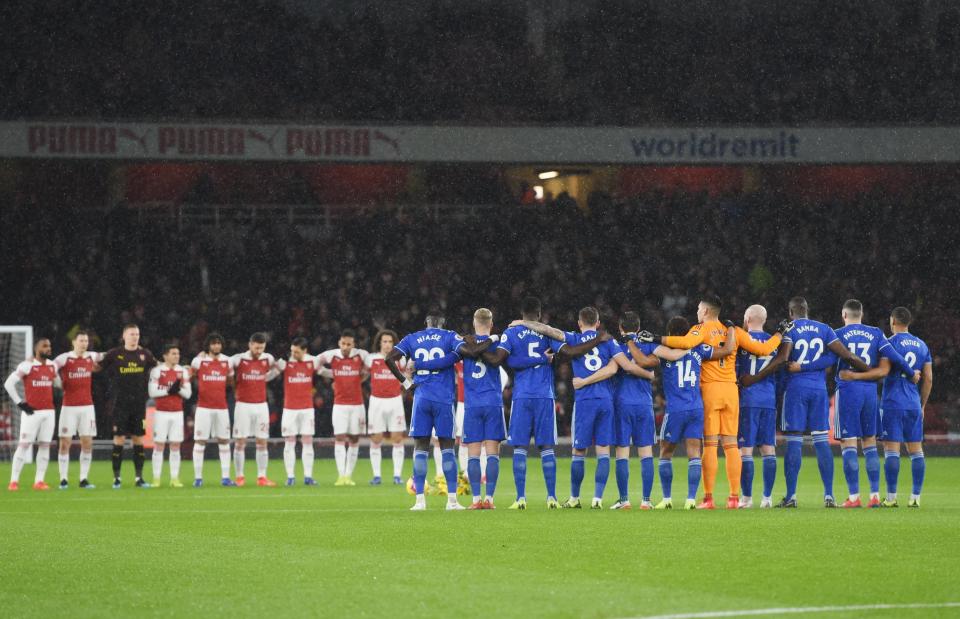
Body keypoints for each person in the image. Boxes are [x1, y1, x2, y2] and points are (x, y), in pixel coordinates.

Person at [640, 294, 786, 509]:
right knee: (731, 445)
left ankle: (708, 498)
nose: (698, 312)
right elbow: (763, 349)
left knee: (709, 446)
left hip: (710, 391)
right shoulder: (734, 331)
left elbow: (685, 343)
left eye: (699, 309)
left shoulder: (701, 329)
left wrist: (655, 338)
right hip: (731, 392)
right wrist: (780, 333)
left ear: (706, 311)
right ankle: (734, 498)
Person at [515, 306, 654, 509]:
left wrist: (523, 323)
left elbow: (550, 331)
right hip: (606, 400)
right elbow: (621, 367)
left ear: (580, 323)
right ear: (597, 323)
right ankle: (598, 499)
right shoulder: (609, 341)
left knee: (579, 451)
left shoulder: (573, 338)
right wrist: (649, 375)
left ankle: (575, 498)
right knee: (604, 451)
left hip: (585, 401)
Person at [741, 297, 870, 508]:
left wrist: (765, 377)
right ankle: (829, 496)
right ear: (807, 310)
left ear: (791, 313)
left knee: (794, 442)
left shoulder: (789, 329)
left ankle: (791, 496)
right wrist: (868, 370)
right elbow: (839, 357)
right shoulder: (824, 329)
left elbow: (782, 359)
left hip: (796, 390)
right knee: (821, 442)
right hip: (819, 390)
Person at [384, 308, 492, 510]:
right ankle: (452, 501)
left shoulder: (412, 338)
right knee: (447, 448)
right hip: (443, 398)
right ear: (442, 323)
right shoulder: (450, 336)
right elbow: (470, 352)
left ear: (426, 322)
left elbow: (389, 359)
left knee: (421, 449)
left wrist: (406, 383)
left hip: (421, 397)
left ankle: (419, 502)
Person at [485, 297, 576, 510]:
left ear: (522, 313)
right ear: (540, 313)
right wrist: (542, 360)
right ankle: (551, 497)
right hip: (544, 395)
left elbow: (507, 361)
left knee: (520, 447)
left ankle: (521, 498)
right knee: (547, 447)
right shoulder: (547, 332)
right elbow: (566, 350)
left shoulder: (511, 333)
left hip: (522, 396)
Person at [633, 317, 732, 509]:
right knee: (694, 453)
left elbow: (645, 361)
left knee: (665, 453)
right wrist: (730, 328)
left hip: (676, 409)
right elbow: (727, 350)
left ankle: (667, 499)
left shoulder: (665, 352)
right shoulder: (699, 348)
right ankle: (690, 500)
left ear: (669, 334)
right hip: (696, 408)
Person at [831, 300, 919, 508]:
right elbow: (895, 357)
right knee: (870, 443)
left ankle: (854, 497)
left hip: (848, 390)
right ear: (861, 314)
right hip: (870, 392)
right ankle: (874, 495)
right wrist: (910, 373)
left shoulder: (837, 333)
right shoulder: (876, 333)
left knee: (849, 443)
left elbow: (827, 360)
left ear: (844, 314)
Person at [608, 312, 657, 510]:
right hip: (644, 403)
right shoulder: (648, 345)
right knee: (646, 451)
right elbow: (653, 366)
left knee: (622, 452)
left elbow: (611, 369)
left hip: (622, 403)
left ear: (620, 327)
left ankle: (624, 499)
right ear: (638, 327)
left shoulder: (617, 347)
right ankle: (646, 500)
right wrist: (649, 375)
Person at [99, 324, 157, 489]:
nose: (135, 337)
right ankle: (116, 478)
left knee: (138, 440)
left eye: (137, 334)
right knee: (119, 440)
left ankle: (139, 478)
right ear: (124, 336)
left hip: (139, 405)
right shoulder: (115, 354)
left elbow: (159, 366)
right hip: (120, 405)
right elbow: (98, 367)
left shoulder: (145, 354)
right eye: (132, 334)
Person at [461, 308, 506, 509]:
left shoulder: (465, 343)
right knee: (492, 454)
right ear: (491, 324)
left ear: (474, 322)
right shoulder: (499, 343)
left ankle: (475, 500)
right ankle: (490, 499)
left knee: (473, 454)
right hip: (493, 403)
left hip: (472, 404)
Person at [735, 305, 779, 508]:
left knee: (746, 450)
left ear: (748, 317)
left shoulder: (740, 340)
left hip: (748, 400)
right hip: (768, 399)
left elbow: (735, 371)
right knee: (768, 448)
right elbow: (780, 371)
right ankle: (767, 498)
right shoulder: (773, 342)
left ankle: (747, 498)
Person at [317, 329, 369, 486]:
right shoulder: (331, 355)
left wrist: (359, 378)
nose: (345, 346)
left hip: (357, 405)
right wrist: (333, 374)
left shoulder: (362, 355)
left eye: (349, 344)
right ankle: (340, 476)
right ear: (339, 343)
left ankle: (348, 475)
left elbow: (368, 370)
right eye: (343, 343)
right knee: (339, 438)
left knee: (354, 438)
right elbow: (316, 364)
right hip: (339, 405)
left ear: (353, 344)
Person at [5, 338, 58, 491]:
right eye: (45, 346)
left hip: (49, 412)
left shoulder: (52, 366)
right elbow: (8, 383)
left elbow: (57, 383)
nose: (48, 348)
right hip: (31, 412)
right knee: (24, 445)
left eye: (49, 345)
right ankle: (14, 481)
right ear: (37, 349)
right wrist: (20, 403)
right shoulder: (27, 366)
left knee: (44, 445)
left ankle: (39, 481)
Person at [53, 330, 102, 489]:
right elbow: (50, 368)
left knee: (87, 443)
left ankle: (83, 479)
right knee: (64, 443)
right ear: (73, 342)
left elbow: (110, 355)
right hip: (69, 407)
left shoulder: (91, 356)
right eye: (81, 341)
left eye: (86, 341)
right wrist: (58, 382)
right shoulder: (64, 358)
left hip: (87, 407)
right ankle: (63, 479)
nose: (84, 344)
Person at [230, 332, 279, 487]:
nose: (259, 351)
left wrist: (275, 372)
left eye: (261, 348)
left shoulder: (268, 358)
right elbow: (221, 363)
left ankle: (262, 477)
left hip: (261, 405)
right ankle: (239, 477)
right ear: (250, 345)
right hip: (243, 404)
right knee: (240, 442)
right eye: (256, 348)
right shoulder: (238, 359)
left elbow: (267, 375)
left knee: (262, 441)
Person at [189, 333, 235, 487]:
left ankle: (226, 477)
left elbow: (230, 381)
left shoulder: (227, 361)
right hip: (203, 408)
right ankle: (198, 478)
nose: (216, 346)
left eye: (219, 344)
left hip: (221, 407)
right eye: (213, 344)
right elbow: (190, 376)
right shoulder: (199, 361)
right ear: (208, 345)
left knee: (224, 441)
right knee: (200, 441)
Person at [365, 329, 408, 485]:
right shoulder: (371, 359)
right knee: (376, 439)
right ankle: (377, 476)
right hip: (376, 402)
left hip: (395, 401)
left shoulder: (400, 360)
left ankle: (397, 475)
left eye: (390, 342)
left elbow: (408, 376)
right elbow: (362, 374)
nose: (387, 344)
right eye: (385, 341)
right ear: (379, 343)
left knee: (397, 439)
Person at [275, 337, 319, 486]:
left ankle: (308, 476)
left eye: (297, 352)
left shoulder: (312, 361)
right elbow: (271, 366)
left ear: (305, 351)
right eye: (292, 351)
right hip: (289, 409)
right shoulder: (286, 362)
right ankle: (291, 476)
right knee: (289, 442)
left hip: (307, 409)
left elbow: (326, 364)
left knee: (307, 442)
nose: (294, 354)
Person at [147, 343, 191, 487]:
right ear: (165, 355)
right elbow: (152, 392)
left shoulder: (183, 371)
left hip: (177, 413)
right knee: (159, 445)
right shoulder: (157, 371)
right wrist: (168, 391)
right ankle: (156, 479)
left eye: (177, 353)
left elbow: (188, 394)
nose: (176, 356)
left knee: (175, 446)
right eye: (173, 353)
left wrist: (177, 390)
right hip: (161, 413)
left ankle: (174, 478)